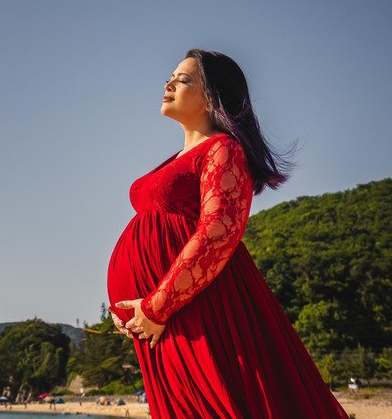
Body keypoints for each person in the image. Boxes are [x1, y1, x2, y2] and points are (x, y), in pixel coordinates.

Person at [106, 49, 349, 418]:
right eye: (171, 76)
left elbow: (220, 229)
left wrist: (158, 305)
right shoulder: (176, 158)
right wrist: (131, 308)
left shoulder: (223, 147)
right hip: (163, 320)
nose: (168, 83)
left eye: (184, 79)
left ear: (212, 96)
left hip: (197, 309)